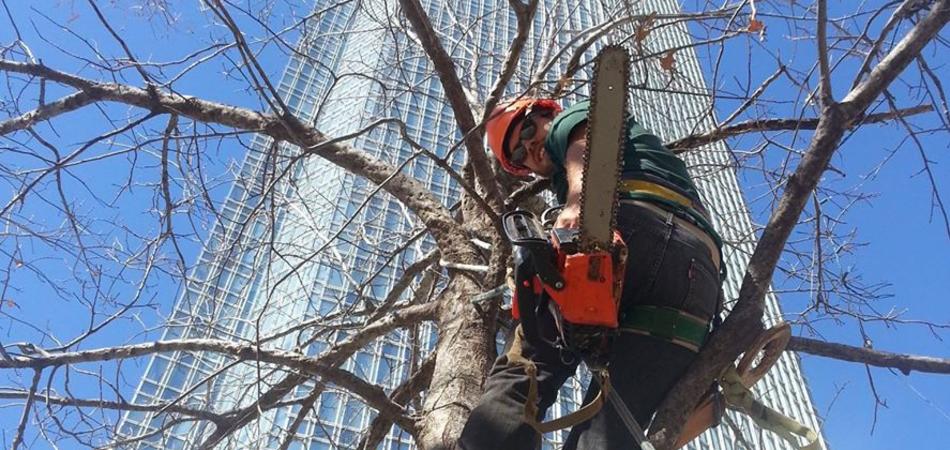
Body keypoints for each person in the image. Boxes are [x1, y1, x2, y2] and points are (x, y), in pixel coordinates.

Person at [458, 97, 724, 449]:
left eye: (526, 129)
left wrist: (577, 201)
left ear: (549, 114)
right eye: (519, 157)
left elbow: (588, 138)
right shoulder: (626, 159)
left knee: (526, 368)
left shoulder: (575, 118)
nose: (529, 147)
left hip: (629, 230)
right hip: (695, 281)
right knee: (608, 431)